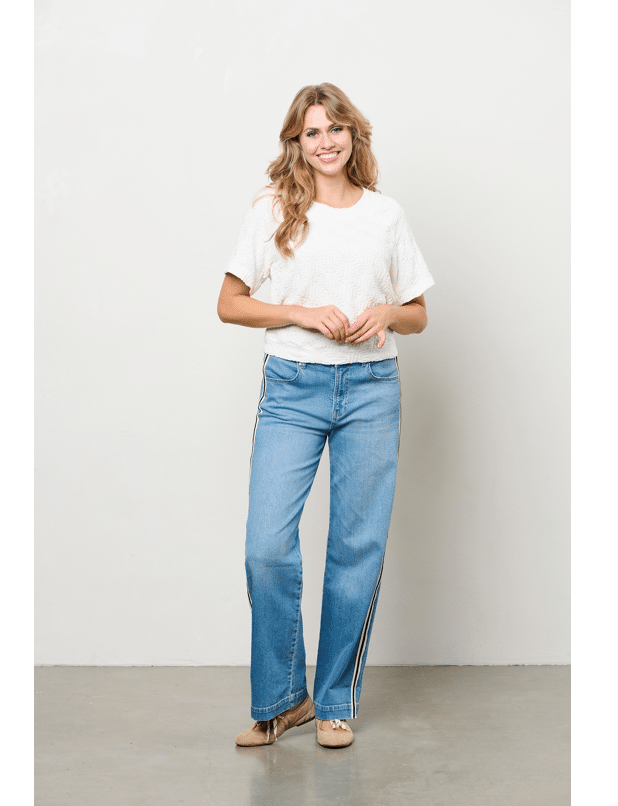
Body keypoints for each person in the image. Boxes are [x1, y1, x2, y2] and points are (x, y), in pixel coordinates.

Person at [217, 83, 435, 749]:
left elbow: (419, 315)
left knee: (355, 548)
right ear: (297, 142)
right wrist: (300, 313)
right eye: (312, 132)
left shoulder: (385, 215)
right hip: (291, 387)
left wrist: (388, 311)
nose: (326, 141)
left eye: (335, 128)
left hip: (371, 388)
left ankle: (335, 701)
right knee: (266, 547)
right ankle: (285, 701)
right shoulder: (273, 209)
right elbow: (229, 303)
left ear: (353, 135)